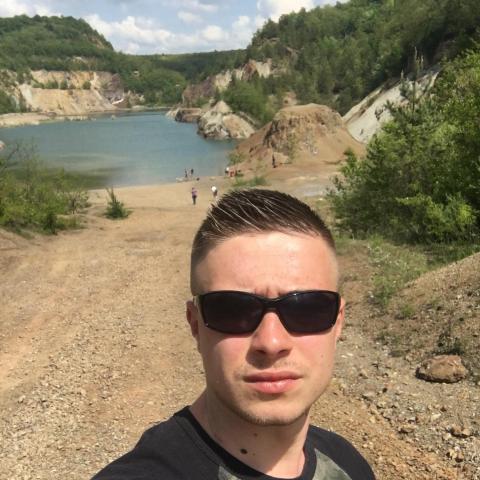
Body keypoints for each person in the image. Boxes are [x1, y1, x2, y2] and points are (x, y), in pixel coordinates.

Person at [92, 189, 375, 480]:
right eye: (233, 310)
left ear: (338, 322)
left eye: (307, 308)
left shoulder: (350, 463)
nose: (271, 342)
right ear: (195, 325)